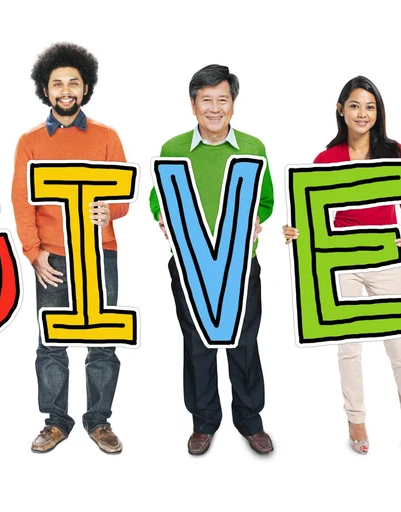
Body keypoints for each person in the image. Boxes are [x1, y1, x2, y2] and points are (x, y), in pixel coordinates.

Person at [283, 76, 401, 454]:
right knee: (348, 345)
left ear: (378, 113)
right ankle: (356, 419)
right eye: (356, 105)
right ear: (340, 108)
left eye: (370, 106)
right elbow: (309, 213)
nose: (363, 114)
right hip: (341, 261)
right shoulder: (326, 159)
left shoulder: (393, 151)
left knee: (398, 343)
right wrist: (296, 233)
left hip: (382, 258)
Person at [149, 64, 275, 455]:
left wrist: (257, 219)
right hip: (190, 266)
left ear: (233, 105)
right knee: (197, 343)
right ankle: (204, 421)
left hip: (239, 265)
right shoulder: (172, 149)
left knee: (244, 343)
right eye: (207, 100)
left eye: (223, 99)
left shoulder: (253, 148)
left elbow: (266, 199)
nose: (215, 108)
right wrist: (161, 217)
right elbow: (159, 197)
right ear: (193, 105)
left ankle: (250, 421)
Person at [12, 42, 129, 454]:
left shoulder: (106, 136)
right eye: (57, 83)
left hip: (100, 255)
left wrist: (108, 212)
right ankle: (56, 421)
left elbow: (123, 200)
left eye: (73, 83)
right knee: (51, 343)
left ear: (85, 88)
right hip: (52, 258)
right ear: (45, 89)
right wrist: (33, 252)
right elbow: (22, 201)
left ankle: (99, 420)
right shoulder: (29, 141)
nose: (65, 90)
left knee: (103, 339)